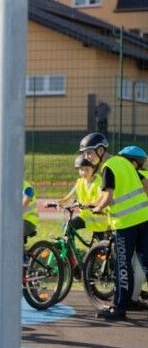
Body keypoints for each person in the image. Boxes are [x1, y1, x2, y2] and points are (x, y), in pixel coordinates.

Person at [81, 133, 148, 320]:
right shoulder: (124, 162)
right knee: (145, 262)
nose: (87, 157)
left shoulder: (108, 167)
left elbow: (108, 197)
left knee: (122, 266)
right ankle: (129, 301)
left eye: (88, 153)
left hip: (125, 224)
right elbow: (145, 184)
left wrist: (97, 209)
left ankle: (119, 309)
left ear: (101, 150)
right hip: (144, 218)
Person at [55, 154, 109, 241]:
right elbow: (68, 198)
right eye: (81, 169)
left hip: (99, 220)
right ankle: (70, 252)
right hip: (85, 217)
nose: (83, 172)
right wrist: (57, 202)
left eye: (87, 169)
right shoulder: (79, 182)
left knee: (100, 249)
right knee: (68, 226)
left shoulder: (99, 182)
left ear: (94, 169)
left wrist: (88, 205)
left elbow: (101, 199)